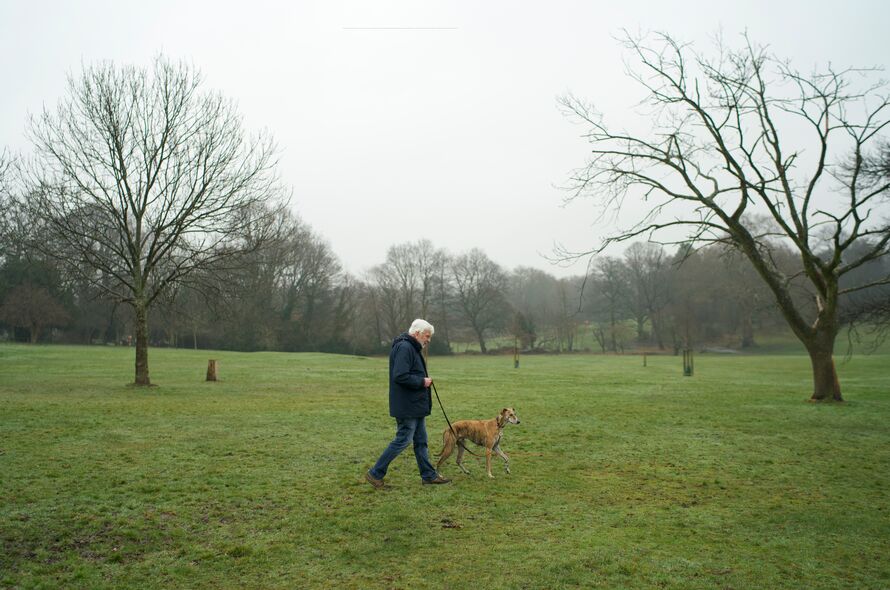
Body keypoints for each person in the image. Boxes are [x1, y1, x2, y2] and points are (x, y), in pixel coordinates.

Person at [366, 319, 452, 487]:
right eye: (427, 336)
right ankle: (375, 473)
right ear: (416, 333)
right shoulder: (405, 348)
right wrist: (422, 382)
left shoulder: (411, 347)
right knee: (403, 440)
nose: (428, 340)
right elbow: (400, 376)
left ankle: (428, 475)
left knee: (421, 440)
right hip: (407, 406)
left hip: (415, 405)